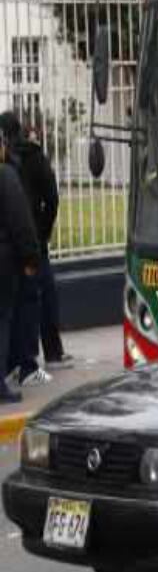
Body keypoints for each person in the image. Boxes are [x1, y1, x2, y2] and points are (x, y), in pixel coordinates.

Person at [0, 113, 71, 371]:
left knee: (14, 307)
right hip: (32, 240)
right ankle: (46, 355)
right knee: (39, 297)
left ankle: (15, 362)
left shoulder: (9, 162)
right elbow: (51, 198)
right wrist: (43, 231)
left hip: (10, 243)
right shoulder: (34, 156)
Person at [0, 128, 40, 403]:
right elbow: (21, 223)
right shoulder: (5, 176)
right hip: (3, 262)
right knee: (2, 320)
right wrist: (31, 258)